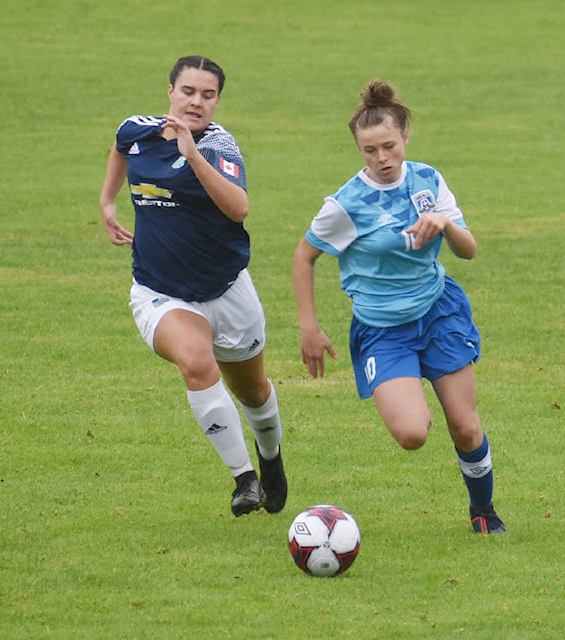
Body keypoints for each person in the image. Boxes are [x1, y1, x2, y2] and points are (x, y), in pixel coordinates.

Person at [292, 79, 505, 534]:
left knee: (465, 427)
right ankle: (410, 384)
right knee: (412, 434)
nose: (382, 158)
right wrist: (309, 327)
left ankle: (483, 511)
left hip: (438, 311)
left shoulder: (428, 179)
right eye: (369, 150)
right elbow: (303, 256)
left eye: (389, 146)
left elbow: (468, 251)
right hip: (382, 328)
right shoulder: (345, 205)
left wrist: (445, 223)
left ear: (405, 136)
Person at [99, 55, 287, 517]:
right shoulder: (137, 129)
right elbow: (120, 148)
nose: (196, 102)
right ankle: (244, 478)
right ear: (170, 92)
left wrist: (193, 155)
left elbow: (238, 208)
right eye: (188, 92)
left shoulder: (220, 145)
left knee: (253, 391)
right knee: (196, 361)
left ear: (218, 100)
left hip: (226, 289)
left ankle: (271, 460)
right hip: (160, 292)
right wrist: (107, 201)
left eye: (208, 95)